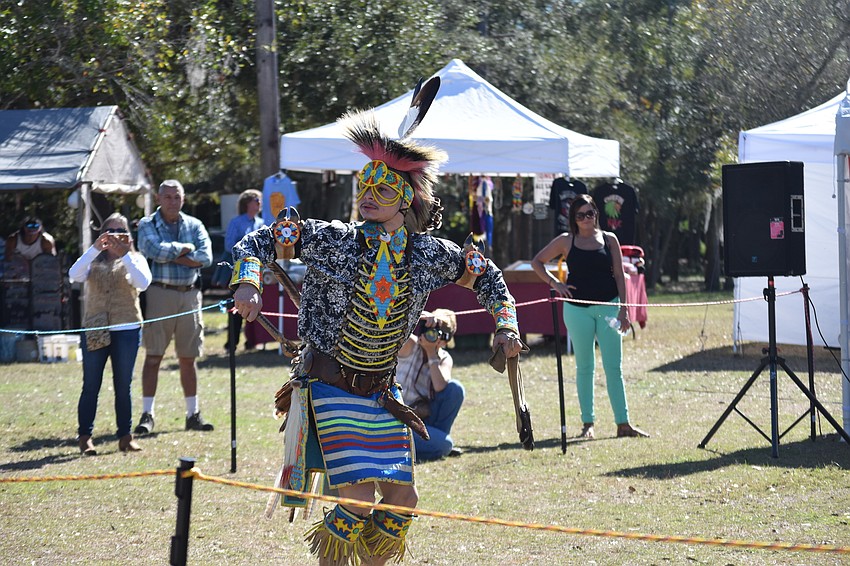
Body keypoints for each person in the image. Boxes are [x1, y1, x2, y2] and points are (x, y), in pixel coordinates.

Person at [231, 108, 523, 565]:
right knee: (359, 497)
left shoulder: (429, 254)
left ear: (405, 200)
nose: (368, 196)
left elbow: (489, 278)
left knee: (402, 502)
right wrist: (248, 282)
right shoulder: (335, 239)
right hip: (330, 385)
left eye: (382, 188)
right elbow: (258, 242)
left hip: (384, 393)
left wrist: (507, 325)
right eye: (364, 186)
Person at [531, 194, 649, 440]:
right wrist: (556, 284)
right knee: (585, 366)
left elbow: (619, 275)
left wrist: (624, 308)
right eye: (580, 215)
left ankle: (623, 423)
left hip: (609, 307)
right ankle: (588, 424)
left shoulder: (609, 239)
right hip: (576, 311)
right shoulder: (566, 241)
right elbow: (537, 262)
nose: (586, 219)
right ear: (574, 219)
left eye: (590, 213)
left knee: (613, 367)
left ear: (597, 213)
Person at [134, 179, 214, 435]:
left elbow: (206, 257)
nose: (172, 201)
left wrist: (176, 255)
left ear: (184, 199)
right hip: (160, 293)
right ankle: (147, 415)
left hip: (190, 296)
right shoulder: (147, 224)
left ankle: (193, 414)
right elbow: (153, 250)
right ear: (158, 199)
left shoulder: (195, 224)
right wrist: (186, 252)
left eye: (176, 197)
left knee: (188, 358)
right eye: (167, 197)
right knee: (154, 356)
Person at [69, 213, 152, 455]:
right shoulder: (92, 260)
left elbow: (143, 282)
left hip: (126, 328)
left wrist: (125, 253)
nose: (115, 234)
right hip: (95, 327)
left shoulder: (135, 259)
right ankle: (85, 437)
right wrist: (95, 249)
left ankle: (125, 436)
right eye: (110, 230)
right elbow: (74, 275)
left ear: (128, 235)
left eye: (120, 230)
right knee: (90, 385)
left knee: (123, 385)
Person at [395, 308, 464, 461]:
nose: (430, 336)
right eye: (429, 331)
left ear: (445, 340)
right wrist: (417, 314)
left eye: (436, 334)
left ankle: (433, 444)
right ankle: (435, 446)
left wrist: (432, 353)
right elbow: (396, 329)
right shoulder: (411, 345)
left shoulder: (444, 358)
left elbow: (440, 386)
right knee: (445, 445)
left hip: (419, 421)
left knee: (455, 389)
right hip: (395, 418)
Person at [218, 188, 264, 350]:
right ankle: (232, 343)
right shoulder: (236, 222)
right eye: (256, 200)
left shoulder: (261, 223)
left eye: (260, 201)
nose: (259, 204)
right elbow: (229, 245)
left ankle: (252, 341)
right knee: (238, 308)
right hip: (239, 272)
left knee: (256, 307)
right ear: (247, 203)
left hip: (258, 271)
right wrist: (247, 253)